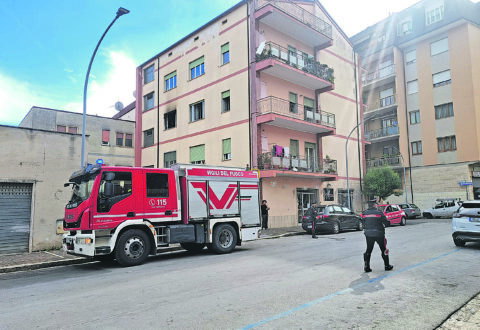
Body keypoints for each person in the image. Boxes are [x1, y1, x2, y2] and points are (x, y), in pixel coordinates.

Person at [361, 199, 394, 272]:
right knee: (384, 249)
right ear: (374, 205)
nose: (377, 205)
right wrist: (388, 223)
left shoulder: (364, 213)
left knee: (368, 250)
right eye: (376, 204)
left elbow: (363, 223)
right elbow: (386, 223)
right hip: (379, 234)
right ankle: (387, 265)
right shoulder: (379, 213)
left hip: (368, 234)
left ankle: (366, 267)